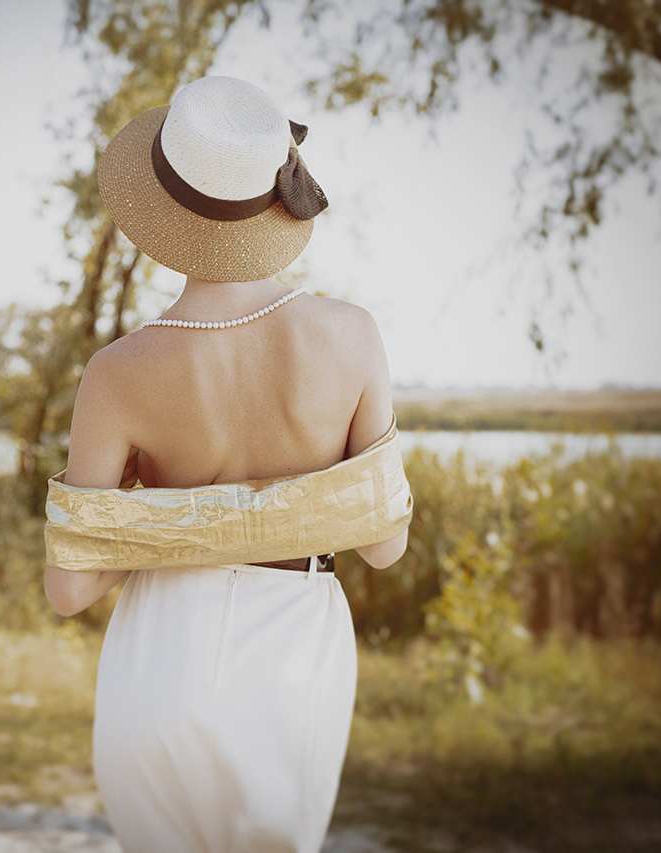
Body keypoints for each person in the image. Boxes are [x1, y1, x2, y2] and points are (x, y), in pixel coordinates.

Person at [43, 76, 412, 853]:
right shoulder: (353, 336)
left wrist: (160, 517)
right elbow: (384, 543)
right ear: (276, 200)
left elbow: (69, 588)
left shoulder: (118, 372)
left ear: (165, 203)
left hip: (161, 650)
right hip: (294, 656)